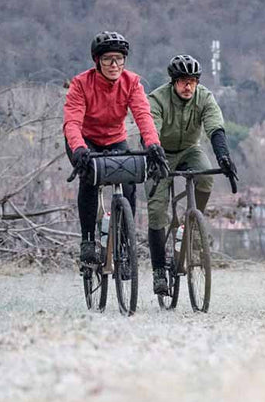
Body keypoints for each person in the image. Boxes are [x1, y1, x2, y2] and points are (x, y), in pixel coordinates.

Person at [63, 31, 169, 270]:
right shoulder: (81, 83)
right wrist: (78, 148)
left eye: (119, 59)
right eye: (108, 59)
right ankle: (88, 240)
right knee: (89, 179)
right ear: (97, 61)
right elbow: (72, 122)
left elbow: (143, 116)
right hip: (84, 141)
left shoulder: (131, 82)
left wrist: (153, 145)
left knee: (129, 183)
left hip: (115, 139)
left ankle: (123, 243)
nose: (114, 65)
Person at [145, 54, 238, 295]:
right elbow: (151, 130)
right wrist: (154, 154)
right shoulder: (157, 99)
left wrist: (224, 157)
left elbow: (215, 127)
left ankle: (193, 224)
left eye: (193, 81)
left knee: (206, 176)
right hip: (159, 152)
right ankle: (158, 271)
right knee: (156, 211)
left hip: (189, 149)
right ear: (173, 82)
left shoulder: (204, 97)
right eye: (183, 81)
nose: (188, 86)